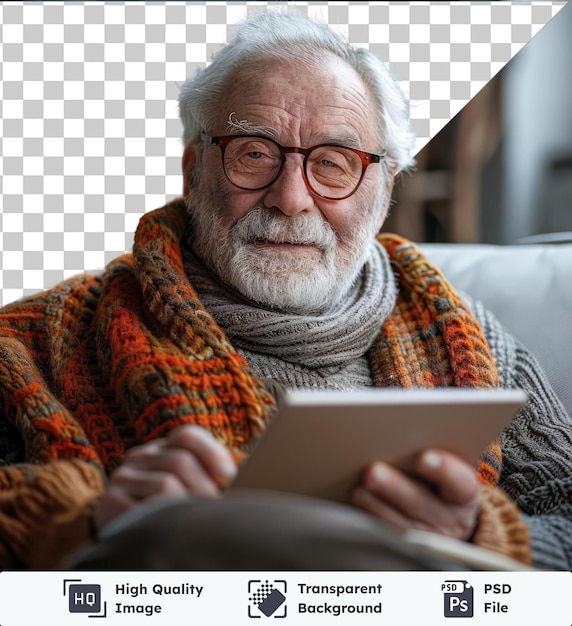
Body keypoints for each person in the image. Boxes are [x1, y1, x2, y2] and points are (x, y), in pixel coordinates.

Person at [1, 10, 571, 571]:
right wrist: (86, 528)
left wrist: (477, 534)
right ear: (193, 170)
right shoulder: (32, 348)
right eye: (254, 154)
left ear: (383, 189)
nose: (291, 198)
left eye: (333, 163)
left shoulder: (470, 340)